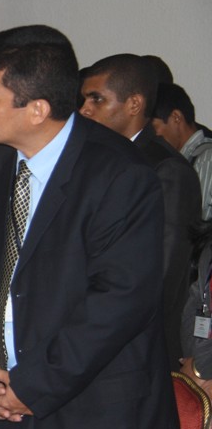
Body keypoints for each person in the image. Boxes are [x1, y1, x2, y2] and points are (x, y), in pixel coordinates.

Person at [0, 24, 176, 429]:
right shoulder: (1, 163)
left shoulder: (118, 173)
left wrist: (31, 386)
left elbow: (119, 301)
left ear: (37, 110)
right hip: (9, 416)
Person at [79, 53, 200, 362]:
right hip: (88, 331)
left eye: (96, 99)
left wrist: (102, 332)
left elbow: (163, 273)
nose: (84, 110)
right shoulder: (95, 159)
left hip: (136, 345)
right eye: (84, 99)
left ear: (133, 104)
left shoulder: (165, 168)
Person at [152, 83, 212, 221]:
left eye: (153, 128)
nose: (151, 136)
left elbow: (197, 221)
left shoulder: (206, 158)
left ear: (176, 118)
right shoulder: (186, 158)